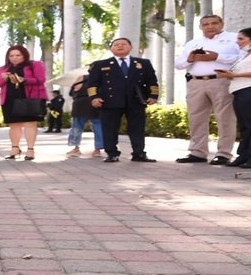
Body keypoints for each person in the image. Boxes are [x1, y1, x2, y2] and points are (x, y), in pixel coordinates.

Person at [173, 15, 242, 165]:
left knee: (225, 118)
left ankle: (224, 153)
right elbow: (178, 64)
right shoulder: (193, 42)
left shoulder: (234, 38)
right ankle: (197, 152)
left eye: (214, 23)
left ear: (222, 24)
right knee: (196, 118)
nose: (210, 26)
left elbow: (242, 57)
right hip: (196, 82)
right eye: (206, 24)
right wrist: (191, 59)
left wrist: (217, 57)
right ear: (201, 27)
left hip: (221, 80)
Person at [86, 37, 159, 163]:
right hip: (109, 101)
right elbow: (92, 84)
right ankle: (112, 154)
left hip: (136, 101)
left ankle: (139, 153)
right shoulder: (100, 65)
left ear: (131, 47)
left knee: (137, 128)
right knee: (110, 129)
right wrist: (94, 98)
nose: (120, 46)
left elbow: (152, 81)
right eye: (116, 45)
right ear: (111, 49)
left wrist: (153, 96)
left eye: (124, 44)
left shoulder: (144, 63)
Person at [0, 45, 47, 160]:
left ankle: (30, 150)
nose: (14, 58)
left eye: (18, 55)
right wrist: (3, 78)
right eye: (11, 55)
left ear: (24, 55)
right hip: (9, 99)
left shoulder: (35, 64)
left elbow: (41, 79)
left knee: (30, 124)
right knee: (14, 125)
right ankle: (15, 148)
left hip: (29, 98)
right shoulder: (4, 68)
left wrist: (24, 80)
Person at [213, 27, 251, 168]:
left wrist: (234, 75)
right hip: (238, 91)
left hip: (248, 90)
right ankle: (244, 155)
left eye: (241, 39)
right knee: (244, 126)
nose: (238, 42)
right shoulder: (245, 55)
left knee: (249, 125)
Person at [65, 74, 104, 158]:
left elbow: (71, 93)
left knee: (77, 127)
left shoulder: (79, 80)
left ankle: (75, 148)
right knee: (98, 126)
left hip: (79, 104)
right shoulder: (99, 78)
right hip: (94, 104)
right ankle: (98, 150)